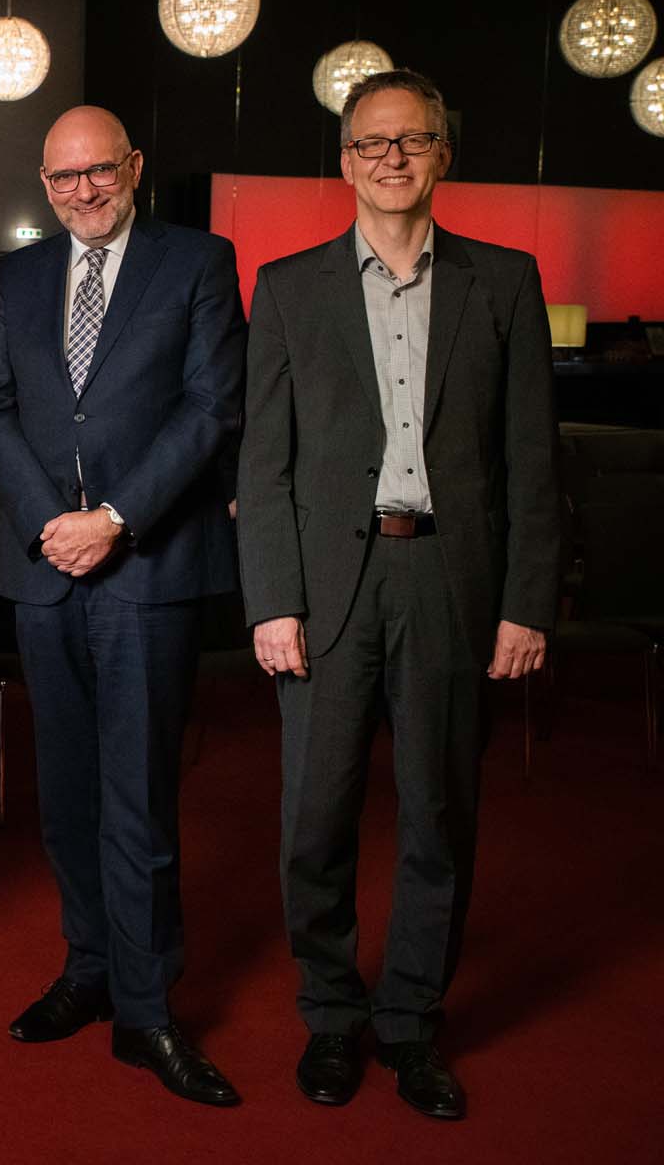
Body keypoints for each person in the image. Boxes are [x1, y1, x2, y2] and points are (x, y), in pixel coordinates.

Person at [238, 70, 561, 1121]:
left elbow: (530, 461)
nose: (391, 157)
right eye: (371, 143)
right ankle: (333, 1013)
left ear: (442, 154)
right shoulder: (287, 287)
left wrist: (526, 602)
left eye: (411, 139)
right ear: (344, 161)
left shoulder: (504, 281)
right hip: (329, 582)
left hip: (451, 579)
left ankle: (413, 1021)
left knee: (438, 813)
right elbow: (265, 466)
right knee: (314, 816)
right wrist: (271, 600)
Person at [0, 105, 247, 1107]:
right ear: (43, 185)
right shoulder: (21, 277)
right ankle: (87, 967)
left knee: (137, 797)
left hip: (149, 567)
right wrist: (52, 521)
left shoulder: (198, 262)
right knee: (68, 791)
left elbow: (214, 405)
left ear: (133, 166)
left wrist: (116, 518)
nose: (82, 192)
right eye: (61, 178)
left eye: (98, 171)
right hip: (44, 566)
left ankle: (147, 1007)